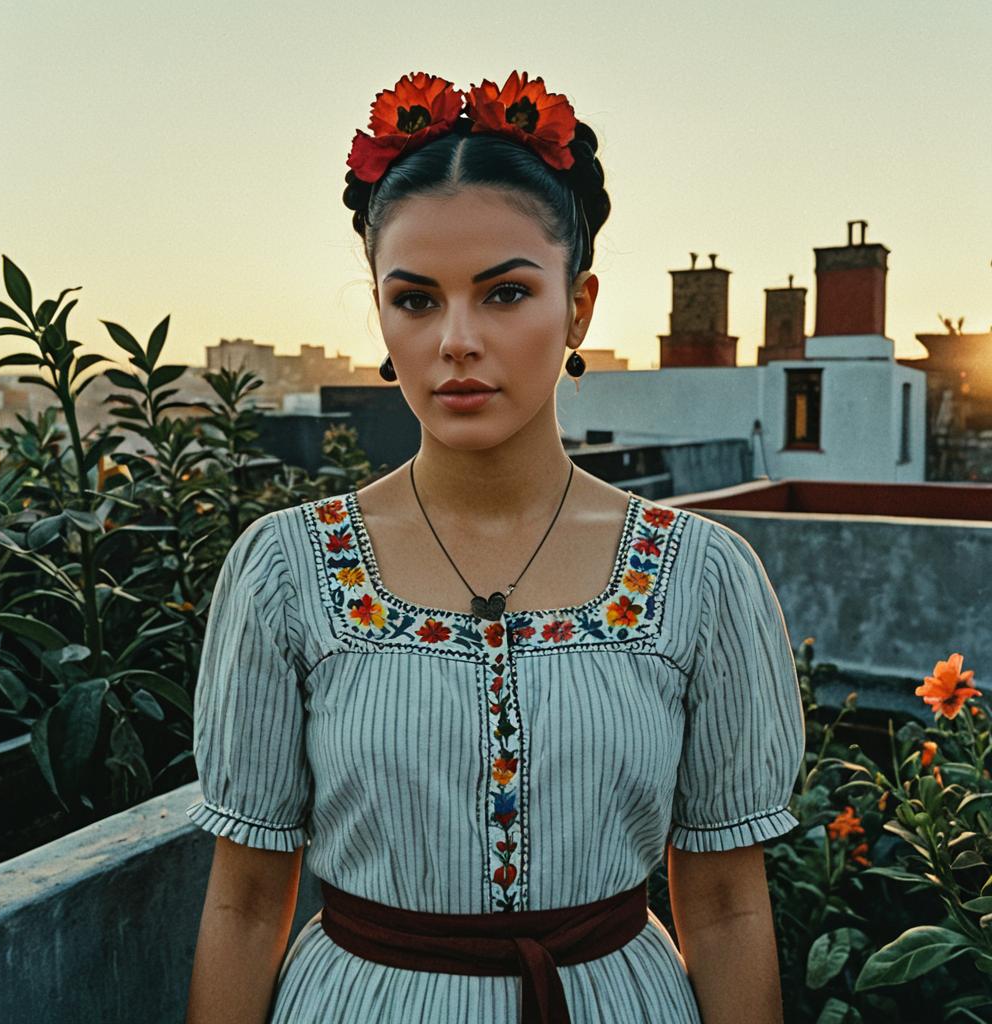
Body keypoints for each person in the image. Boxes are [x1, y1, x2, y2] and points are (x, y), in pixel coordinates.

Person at [184, 70, 806, 1024]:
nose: (457, 340)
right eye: (417, 300)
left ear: (581, 307)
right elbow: (243, 901)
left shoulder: (703, 577)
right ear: (382, 317)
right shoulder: (284, 572)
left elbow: (723, 907)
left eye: (506, 293)